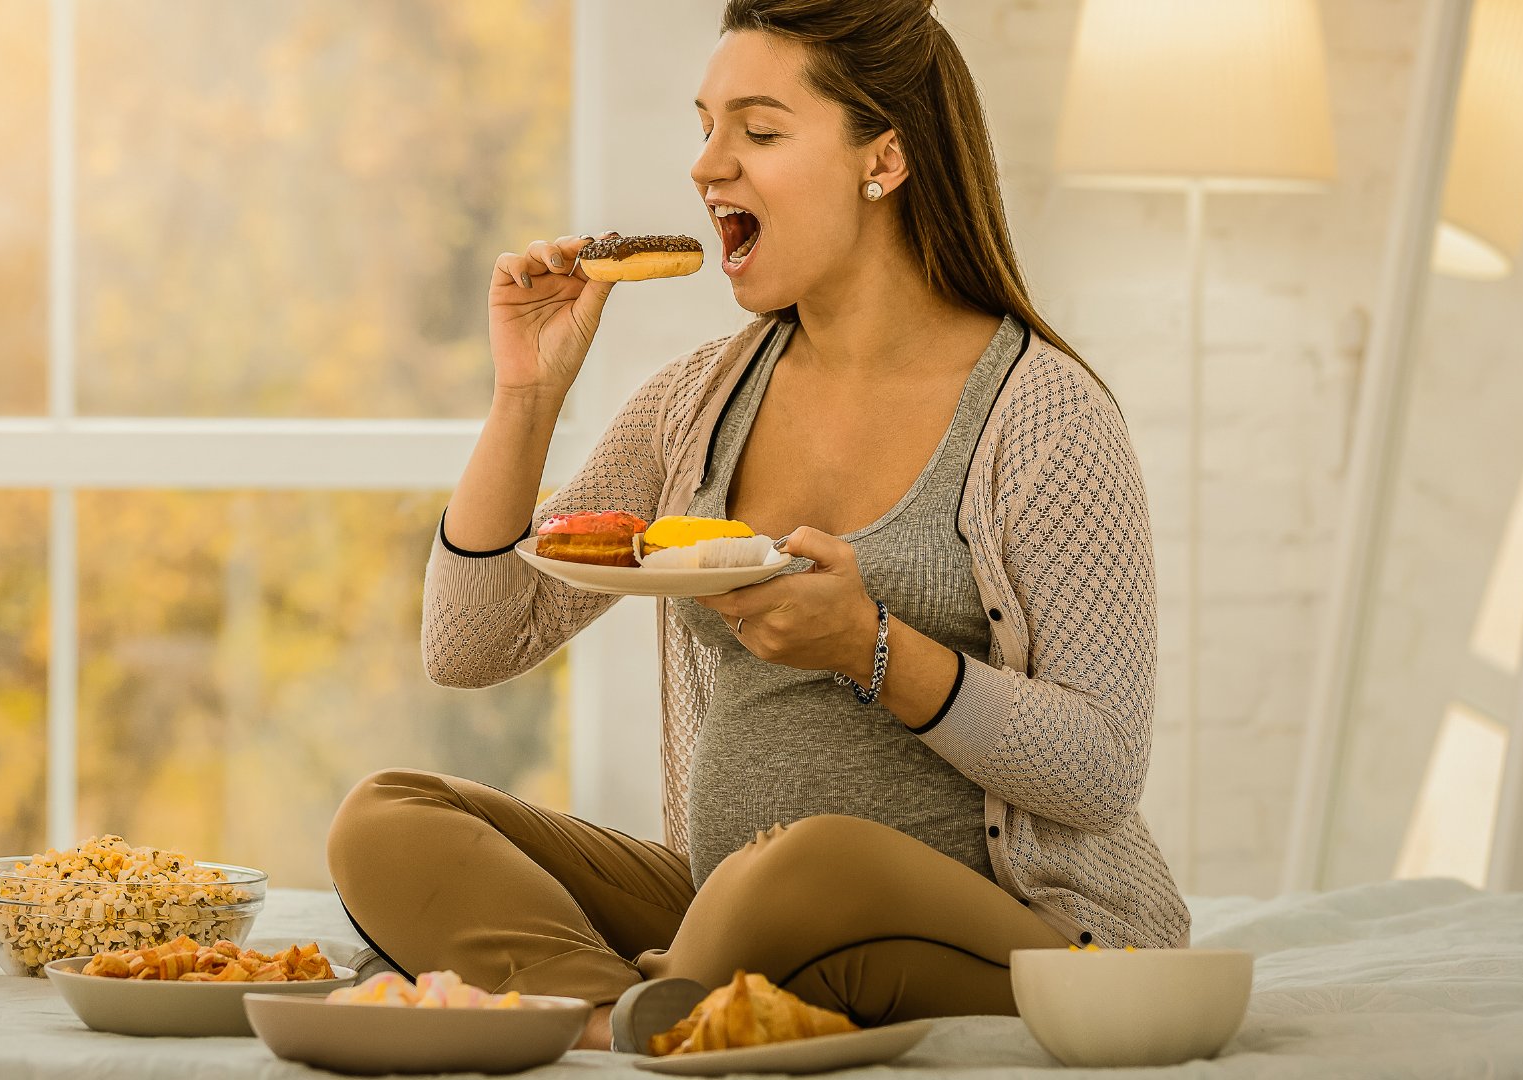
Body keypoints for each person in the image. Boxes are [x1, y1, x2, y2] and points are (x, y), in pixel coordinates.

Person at [328, 0, 1188, 1052]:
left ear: (885, 160)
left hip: (1004, 922)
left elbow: (1100, 770)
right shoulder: (697, 399)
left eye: (760, 131)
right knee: (390, 816)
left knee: (809, 860)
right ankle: (637, 1012)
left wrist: (874, 651)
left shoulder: (1043, 413)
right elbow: (470, 644)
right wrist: (527, 398)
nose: (706, 167)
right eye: (706, 126)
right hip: (724, 901)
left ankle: (640, 994)